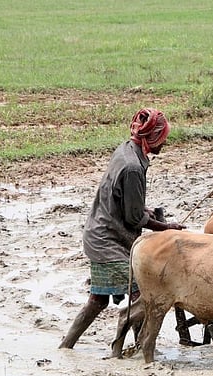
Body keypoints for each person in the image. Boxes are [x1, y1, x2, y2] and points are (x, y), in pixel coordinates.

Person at [59, 107, 185, 349]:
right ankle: (142, 348)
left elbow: (125, 202)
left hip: (99, 232)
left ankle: (66, 347)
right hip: (108, 241)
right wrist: (165, 227)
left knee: (97, 301)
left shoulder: (126, 151)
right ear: (152, 138)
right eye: (163, 138)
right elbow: (134, 217)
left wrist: (145, 212)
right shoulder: (133, 168)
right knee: (141, 292)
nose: (165, 143)